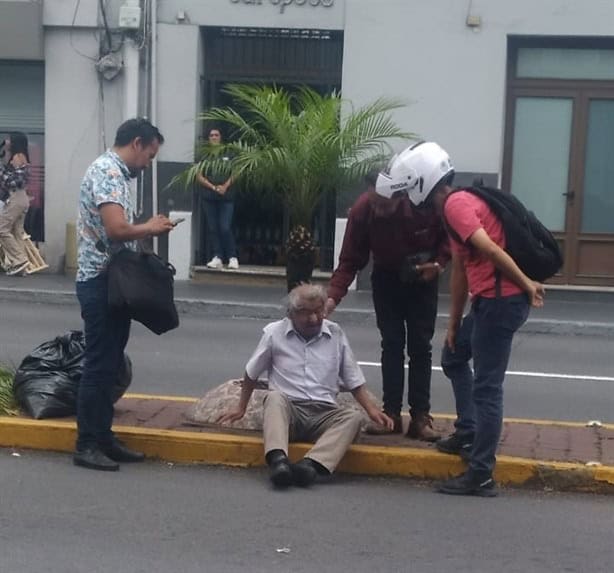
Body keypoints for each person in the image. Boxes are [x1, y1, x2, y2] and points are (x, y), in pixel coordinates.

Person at [387, 141, 544, 497]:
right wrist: (454, 323)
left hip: (502, 302)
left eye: (410, 185)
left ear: (423, 182)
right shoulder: (455, 206)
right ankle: (469, 431)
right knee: (454, 356)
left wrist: (526, 285)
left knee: (488, 388)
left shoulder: (457, 205)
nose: (409, 194)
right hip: (489, 302)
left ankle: (481, 473)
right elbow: (461, 269)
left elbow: (489, 248)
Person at [218, 283, 393, 488]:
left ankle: (310, 466)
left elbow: (353, 379)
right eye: (306, 313)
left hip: (323, 413)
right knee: (274, 398)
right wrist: (241, 407)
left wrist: (372, 411)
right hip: (290, 411)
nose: (314, 319)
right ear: (291, 314)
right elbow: (251, 373)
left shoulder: (335, 333)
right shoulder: (275, 333)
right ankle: (279, 462)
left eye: (319, 311)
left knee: (353, 418)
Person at [74, 118, 175, 471]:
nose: (147, 164)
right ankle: (87, 444)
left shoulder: (113, 172)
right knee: (100, 365)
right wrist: (151, 227)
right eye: (149, 155)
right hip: (100, 282)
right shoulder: (109, 173)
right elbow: (117, 229)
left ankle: (103, 438)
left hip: (109, 282)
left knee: (110, 362)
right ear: (136, 143)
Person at [325, 168, 449, 441]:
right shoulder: (362, 211)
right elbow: (349, 260)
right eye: (374, 203)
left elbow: (449, 237)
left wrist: (439, 264)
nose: (378, 210)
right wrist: (332, 297)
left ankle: (420, 418)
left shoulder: (423, 205)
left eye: (385, 205)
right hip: (386, 279)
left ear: (401, 195)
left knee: (420, 347)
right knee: (391, 344)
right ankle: (390, 415)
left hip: (422, 279)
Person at [196, 127, 239, 270]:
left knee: (225, 227)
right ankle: (218, 256)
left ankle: (232, 257)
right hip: (209, 197)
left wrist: (225, 186)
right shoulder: (204, 155)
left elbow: (236, 172)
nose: (213, 137)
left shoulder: (229, 153)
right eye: (211, 135)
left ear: (221, 137)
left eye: (216, 135)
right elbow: (199, 175)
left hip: (226, 197)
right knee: (213, 228)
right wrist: (213, 187)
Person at [0, 132, 31, 276]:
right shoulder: (16, 156)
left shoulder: (19, 157)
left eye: (9, 139)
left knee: (2, 229)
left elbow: (15, 181)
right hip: (21, 199)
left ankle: (19, 260)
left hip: (16, 198)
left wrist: (2, 173)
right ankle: (21, 268)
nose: (7, 141)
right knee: (16, 232)